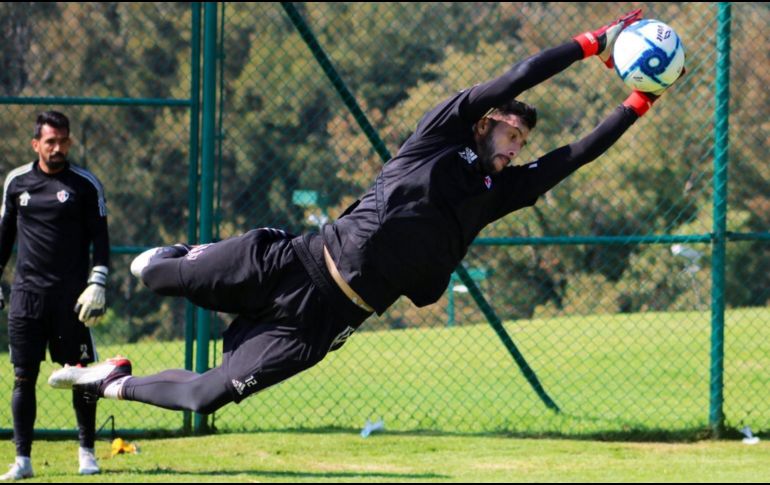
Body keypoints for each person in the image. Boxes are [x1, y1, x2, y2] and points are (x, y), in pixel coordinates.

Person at [49, 10, 680, 418]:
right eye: (511, 131)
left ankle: (110, 380)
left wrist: (639, 102)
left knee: (207, 395)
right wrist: (592, 42)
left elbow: (576, 155)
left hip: (324, 322)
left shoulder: (498, 192)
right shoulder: (440, 135)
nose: (517, 145)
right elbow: (520, 73)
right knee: (149, 272)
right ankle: (192, 258)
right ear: (486, 121)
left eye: (523, 141)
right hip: (290, 262)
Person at [0, 111, 110, 479]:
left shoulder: (85, 185)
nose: (57, 147)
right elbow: (4, 238)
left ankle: (86, 453)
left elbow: (101, 239)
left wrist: (98, 282)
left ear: (70, 142)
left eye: (63, 141)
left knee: (81, 375)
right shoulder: (16, 182)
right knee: (23, 377)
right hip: (27, 297)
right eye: (50, 141)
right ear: (36, 144)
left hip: (72, 300)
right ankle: (23, 460)